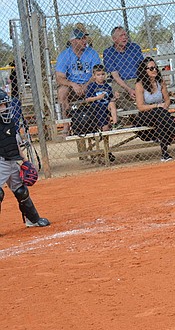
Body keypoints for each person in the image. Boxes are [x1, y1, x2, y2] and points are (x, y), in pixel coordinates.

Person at [0, 89, 49, 228]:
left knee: (21, 191)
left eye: (5, 104)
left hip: (11, 161)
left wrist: (25, 161)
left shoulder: (8, 122)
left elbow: (14, 143)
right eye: (1, 105)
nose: (5, 108)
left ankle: (32, 220)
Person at [134, 58, 175, 162]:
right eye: (151, 68)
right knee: (160, 113)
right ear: (144, 70)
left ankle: (165, 154)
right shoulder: (139, 85)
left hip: (160, 114)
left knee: (161, 118)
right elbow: (140, 106)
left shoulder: (160, 82)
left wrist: (163, 107)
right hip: (145, 115)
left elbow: (167, 101)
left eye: (156, 67)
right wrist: (156, 106)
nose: (155, 70)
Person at [55, 27, 100, 121]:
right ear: (72, 41)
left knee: (100, 86)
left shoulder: (92, 53)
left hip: (90, 85)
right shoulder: (64, 55)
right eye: (80, 39)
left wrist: (86, 85)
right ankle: (66, 125)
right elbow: (59, 78)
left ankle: (101, 122)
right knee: (62, 91)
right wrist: (73, 84)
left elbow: (96, 74)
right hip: (72, 87)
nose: (84, 41)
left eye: (84, 38)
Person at [102, 26, 144, 110]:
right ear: (114, 39)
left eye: (125, 35)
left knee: (147, 91)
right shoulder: (108, 53)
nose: (125, 37)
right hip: (120, 82)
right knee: (117, 97)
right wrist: (129, 90)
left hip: (137, 79)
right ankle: (138, 113)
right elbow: (115, 76)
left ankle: (143, 112)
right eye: (121, 35)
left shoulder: (134, 47)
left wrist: (138, 85)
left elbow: (142, 68)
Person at [84, 64, 119, 131]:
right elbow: (87, 99)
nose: (101, 77)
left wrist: (115, 97)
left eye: (103, 74)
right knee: (105, 128)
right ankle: (104, 130)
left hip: (106, 107)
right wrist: (97, 98)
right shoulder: (92, 86)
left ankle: (115, 123)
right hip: (97, 108)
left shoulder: (107, 86)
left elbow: (110, 98)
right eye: (98, 75)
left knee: (112, 103)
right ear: (94, 76)